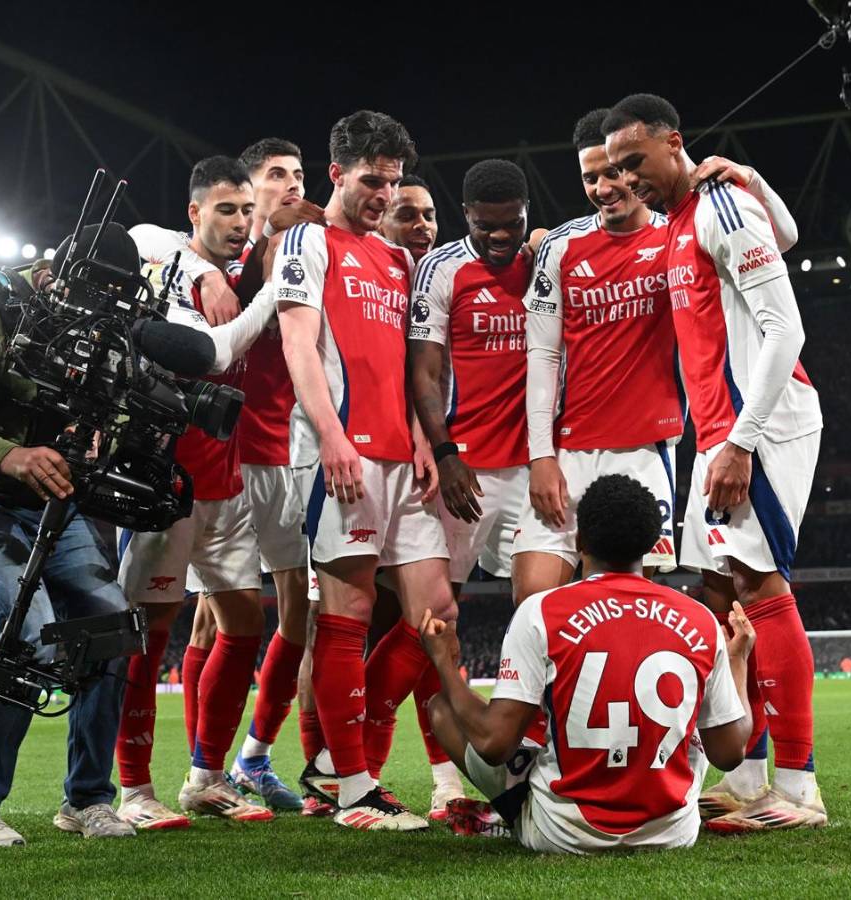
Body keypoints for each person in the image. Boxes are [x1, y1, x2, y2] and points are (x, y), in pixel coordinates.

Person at [603, 94, 826, 832]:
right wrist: (758, 178)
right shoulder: (686, 218)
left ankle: (797, 790)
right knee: (723, 595)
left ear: (675, 142)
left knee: (761, 589)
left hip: (760, 426)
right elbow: (784, 236)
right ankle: (752, 777)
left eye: (636, 161)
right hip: (718, 430)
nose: (627, 179)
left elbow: (783, 328)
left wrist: (740, 440)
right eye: (616, 169)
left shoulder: (717, 205)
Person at [513, 108, 799, 605]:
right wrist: (540, 455)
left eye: (617, 170)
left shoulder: (679, 230)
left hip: (647, 452)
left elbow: (783, 239)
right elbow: (541, 355)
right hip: (568, 449)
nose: (608, 185)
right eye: (592, 177)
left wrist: (748, 179)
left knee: (626, 605)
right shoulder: (559, 246)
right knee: (533, 600)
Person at [0, 225, 140, 847]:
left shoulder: (104, 328)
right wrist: (13, 457)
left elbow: (116, 416)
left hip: (47, 503)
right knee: (29, 634)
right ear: (57, 276)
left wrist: (107, 440)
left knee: (109, 627)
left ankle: (89, 801)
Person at [275, 109, 454, 831]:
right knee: (344, 614)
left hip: (397, 457)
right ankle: (352, 786)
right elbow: (296, 341)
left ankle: (331, 764)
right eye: (372, 181)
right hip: (335, 455)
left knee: (433, 613)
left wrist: (418, 435)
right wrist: (331, 437)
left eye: (393, 181)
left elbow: (401, 365)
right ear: (337, 173)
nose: (383, 195)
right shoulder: (307, 240)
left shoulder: (397, 260)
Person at [419, 474, 754, 853]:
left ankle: (514, 813)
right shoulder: (699, 618)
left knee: (443, 708)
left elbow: (494, 743)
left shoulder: (541, 611)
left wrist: (444, 662)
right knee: (700, 718)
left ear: (579, 542)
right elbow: (729, 753)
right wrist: (737, 659)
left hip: (563, 833)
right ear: (651, 546)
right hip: (672, 833)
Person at [117, 156, 275, 829]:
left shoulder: (238, 271)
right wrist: (274, 289)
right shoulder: (165, 279)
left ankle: (206, 779)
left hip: (227, 480)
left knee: (243, 623)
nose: (240, 224)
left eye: (247, 211)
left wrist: (235, 272)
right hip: (162, 479)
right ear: (195, 214)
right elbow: (210, 350)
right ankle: (130, 791)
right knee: (145, 635)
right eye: (225, 211)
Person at [404, 159, 533, 811]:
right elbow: (423, 374)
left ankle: (534, 759)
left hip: (534, 472)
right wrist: (446, 453)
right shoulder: (442, 268)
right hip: (463, 471)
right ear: (466, 219)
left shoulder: (546, 259)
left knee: (541, 615)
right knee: (433, 619)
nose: (500, 239)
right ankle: (444, 780)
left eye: (511, 225)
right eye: (486, 228)